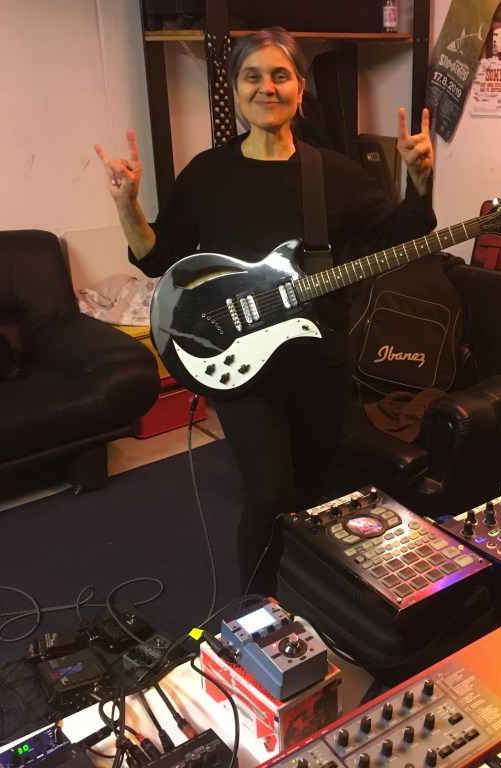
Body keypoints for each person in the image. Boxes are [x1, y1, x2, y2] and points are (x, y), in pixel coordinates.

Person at [94, 26, 437, 596]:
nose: (267, 87)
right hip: (241, 368)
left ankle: (304, 589)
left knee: (311, 490)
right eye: (252, 76)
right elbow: (157, 257)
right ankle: (257, 610)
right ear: (235, 88)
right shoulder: (208, 174)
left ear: (300, 88)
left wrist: (420, 181)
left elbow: (399, 234)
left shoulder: (333, 173)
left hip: (320, 361)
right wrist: (127, 205)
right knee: (269, 493)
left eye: (281, 75)